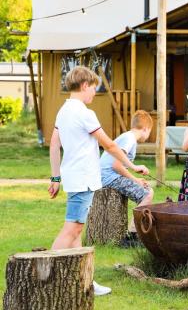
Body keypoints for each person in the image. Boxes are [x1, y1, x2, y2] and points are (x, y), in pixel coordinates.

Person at [48, 66, 149, 296]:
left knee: (76, 234)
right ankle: (45, 275)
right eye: (94, 88)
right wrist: (133, 166)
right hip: (83, 179)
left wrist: (55, 177)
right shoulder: (85, 113)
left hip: (75, 177)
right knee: (72, 230)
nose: (94, 93)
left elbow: (55, 143)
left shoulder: (63, 110)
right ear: (84, 86)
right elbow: (110, 145)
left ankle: (86, 282)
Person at [100, 110, 154, 244]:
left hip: (109, 175)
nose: (148, 136)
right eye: (149, 132)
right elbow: (116, 165)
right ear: (146, 129)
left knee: (147, 190)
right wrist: (135, 180)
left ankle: (134, 232)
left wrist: (135, 178)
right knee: (147, 194)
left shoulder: (127, 137)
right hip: (108, 176)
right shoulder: (129, 139)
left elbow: (121, 165)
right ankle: (133, 235)